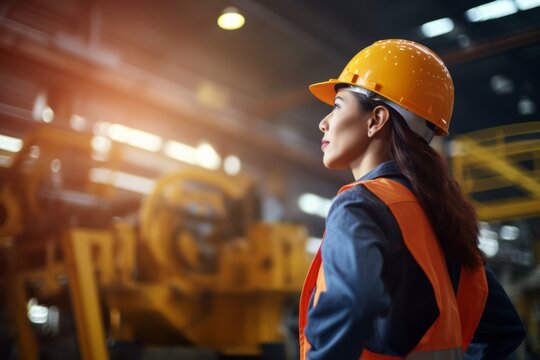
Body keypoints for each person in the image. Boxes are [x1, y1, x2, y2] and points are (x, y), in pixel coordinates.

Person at [298, 39, 526, 360]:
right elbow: (504, 331)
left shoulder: (361, 205)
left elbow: (354, 301)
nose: (324, 122)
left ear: (376, 119)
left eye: (337, 105)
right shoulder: (441, 215)